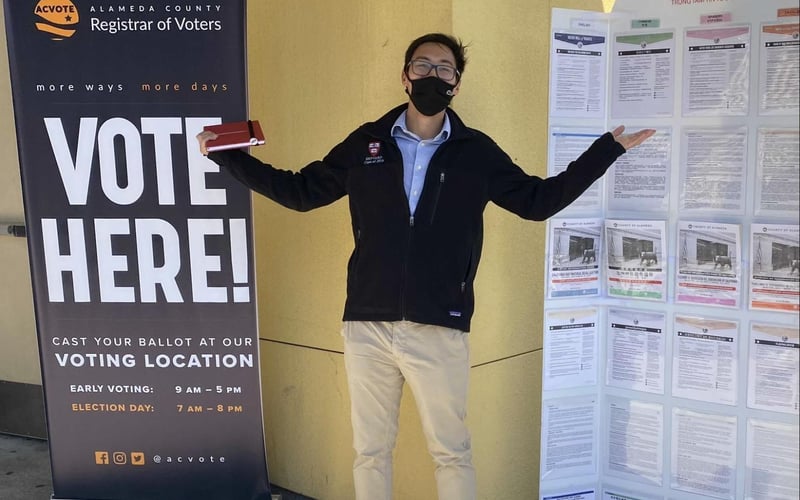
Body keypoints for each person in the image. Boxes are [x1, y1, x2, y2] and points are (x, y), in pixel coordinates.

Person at [197, 32, 655, 500]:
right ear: (404, 76)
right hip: (367, 324)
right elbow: (300, 192)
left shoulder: (475, 152)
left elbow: (537, 201)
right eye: (423, 65)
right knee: (370, 452)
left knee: (451, 452)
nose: (432, 75)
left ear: (456, 84)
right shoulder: (366, 143)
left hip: (440, 324)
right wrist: (230, 159)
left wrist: (606, 152)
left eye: (445, 69)